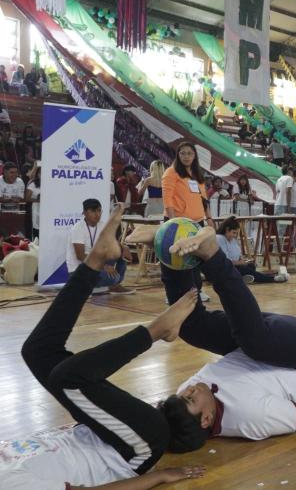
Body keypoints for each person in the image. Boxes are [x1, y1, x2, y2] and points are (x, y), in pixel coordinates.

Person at [124, 223, 296, 450]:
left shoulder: (184, 404)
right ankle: (211, 254)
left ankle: (168, 247)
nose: (189, 388)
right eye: (191, 398)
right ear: (207, 419)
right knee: (254, 343)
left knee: (189, 326)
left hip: (255, 336)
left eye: (183, 394)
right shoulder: (252, 419)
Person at [12, 204, 205, 488]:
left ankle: (99, 267)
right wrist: (158, 477)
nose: (196, 386)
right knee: (58, 369)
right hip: (131, 443)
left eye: (192, 395)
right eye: (193, 394)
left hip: (120, 443)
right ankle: (149, 323)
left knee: (42, 357)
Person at [162, 141, 215, 302]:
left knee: (195, 259)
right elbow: (168, 198)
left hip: (196, 222)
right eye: (182, 153)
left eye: (189, 153)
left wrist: (209, 218)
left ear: (194, 156)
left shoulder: (197, 175)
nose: (186, 156)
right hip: (177, 223)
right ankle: (172, 292)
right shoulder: (171, 172)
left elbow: (204, 200)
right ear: (178, 155)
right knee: (174, 259)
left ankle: (196, 290)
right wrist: (173, 222)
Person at [66, 198, 135, 295]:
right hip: (80, 271)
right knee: (115, 278)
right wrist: (103, 266)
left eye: (99, 211)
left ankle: (114, 286)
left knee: (120, 252)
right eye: (93, 211)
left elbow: (111, 243)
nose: (97, 214)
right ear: (84, 213)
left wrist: (123, 247)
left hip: (95, 265)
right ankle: (88, 286)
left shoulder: (102, 225)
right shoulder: (78, 229)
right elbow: (80, 256)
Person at [216, 216, 288, 284]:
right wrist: (240, 263)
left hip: (234, 266)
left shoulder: (232, 239)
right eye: (233, 233)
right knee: (245, 270)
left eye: (236, 233)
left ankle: (241, 278)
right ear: (227, 229)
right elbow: (226, 261)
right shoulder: (219, 238)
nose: (235, 235)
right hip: (224, 269)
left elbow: (237, 254)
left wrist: (243, 260)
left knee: (251, 266)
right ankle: (273, 279)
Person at [24, 164, 40, 239]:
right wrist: (38, 200)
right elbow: (27, 198)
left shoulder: (49, 184)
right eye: (40, 173)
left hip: (47, 210)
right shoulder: (33, 184)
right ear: (38, 174)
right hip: (35, 209)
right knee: (36, 229)